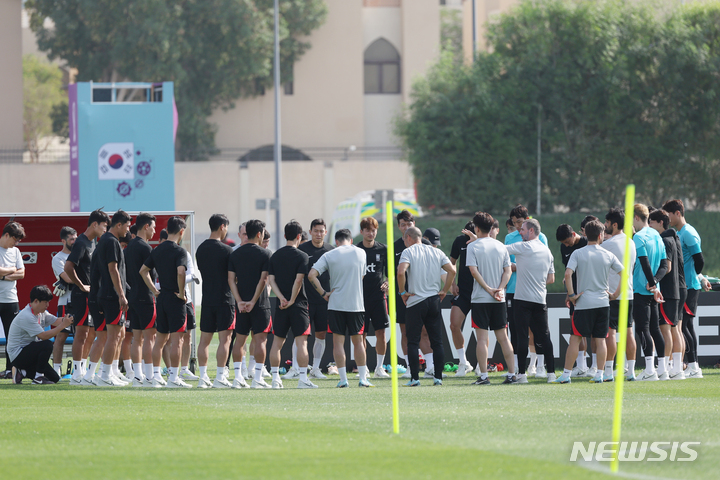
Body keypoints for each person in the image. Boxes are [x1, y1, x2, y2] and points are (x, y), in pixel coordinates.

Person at [553, 220, 623, 384]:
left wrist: (571, 295)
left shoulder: (578, 253)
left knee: (575, 339)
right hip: (603, 303)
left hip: (584, 303)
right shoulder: (607, 254)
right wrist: (615, 294)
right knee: (600, 340)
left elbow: (568, 274)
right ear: (600, 236)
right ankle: (600, 374)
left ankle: (566, 375)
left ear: (586, 234)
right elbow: (624, 274)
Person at [309, 228, 369, 388]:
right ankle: (363, 378)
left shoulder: (330, 254)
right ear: (350, 240)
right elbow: (362, 275)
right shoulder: (361, 253)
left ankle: (343, 379)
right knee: (358, 342)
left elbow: (311, 274)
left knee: (338, 343)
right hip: (356, 304)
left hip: (336, 304)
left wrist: (323, 293)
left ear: (336, 241)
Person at [397, 227, 456, 386]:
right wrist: (444, 290)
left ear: (408, 237)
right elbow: (452, 270)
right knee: (437, 341)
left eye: (404, 240)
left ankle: (415, 378)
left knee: (413, 342)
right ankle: (438, 377)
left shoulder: (408, 252)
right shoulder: (437, 252)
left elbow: (401, 272)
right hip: (433, 300)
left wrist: (402, 292)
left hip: (416, 300)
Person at [465, 212, 516, 385]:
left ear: (476, 228)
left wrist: (487, 289)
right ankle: (512, 374)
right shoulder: (501, 246)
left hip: (480, 298)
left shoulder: (473, 246)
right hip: (498, 299)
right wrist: (499, 289)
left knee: (481, 339)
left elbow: (473, 270)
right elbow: (508, 270)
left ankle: (484, 376)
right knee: (503, 338)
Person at [140, 216, 191, 388]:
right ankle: (173, 378)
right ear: (181, 232)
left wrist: (154, 291)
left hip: (161, 298)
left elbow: (143, 270)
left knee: (160, 339)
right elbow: (181, 272)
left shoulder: (157, 250)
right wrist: (182, 293)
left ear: (167, 230)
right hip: (175, 298)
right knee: (177, 340)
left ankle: (155, 376)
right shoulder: (180, 251)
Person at [662, 199, 710, 378]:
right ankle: (693, 365)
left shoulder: (688, 233)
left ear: (677, 213)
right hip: (686, 285)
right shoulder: (680, 232)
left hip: (689, 286)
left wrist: (695, 278)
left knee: (686, 327)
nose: (667, 219)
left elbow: (700, 260)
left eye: (669, 215)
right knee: (684, 327)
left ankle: (694, 366)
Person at [505, 218, 556, 383]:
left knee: (521, 337)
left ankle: (521, 375)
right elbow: (551, 278)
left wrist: (479, 241)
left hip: (522, 300)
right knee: (545, 337)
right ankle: (552, 374)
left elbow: (501, 249)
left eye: (523, 230)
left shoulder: (523, 247)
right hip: (540, 300)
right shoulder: (547, 252)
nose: (520, 232)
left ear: (532, 231)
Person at [267, 220, 315, 389]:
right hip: (298, 305)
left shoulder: (275, 255)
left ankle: (274, 379)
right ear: (299, 236)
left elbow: (271, 280)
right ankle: (302, 379)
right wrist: (292, 300)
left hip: (281, 305)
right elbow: (299, 280)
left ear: (285, 235)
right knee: (302, 343)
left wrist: (281, 298)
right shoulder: (302, 256)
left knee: (277, 343)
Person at [65, 210, 109, 385]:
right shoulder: (81, 242)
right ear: (94, 224)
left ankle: (83, 371)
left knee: (91, 333)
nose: (105, 230)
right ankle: (76, 374)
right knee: (81, 333)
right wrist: (80, 285)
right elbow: (69, 266)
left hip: (92, 295)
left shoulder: (93, 243)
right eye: (104, 226)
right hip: (81, 295)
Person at [229, 219, 272, 389]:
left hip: (241, 304)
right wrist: (253, 301)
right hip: (260, 304)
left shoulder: (235, 254)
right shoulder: (265, 254)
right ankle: (258, 378)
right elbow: (263, 280)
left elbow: (231, 280)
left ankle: (238, 377)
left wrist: (240, 301)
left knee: (239, 341)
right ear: (260, 234)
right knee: (260, 340)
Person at [195, 214, 235, 388]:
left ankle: (203, 377)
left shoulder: (200, 249)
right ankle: (220, 376)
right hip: (225, 299)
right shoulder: (227, 250)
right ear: (222, 227)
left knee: (204, 340)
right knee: (224, 340)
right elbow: (232, 278)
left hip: (207, 299)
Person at [7, 285, 74, 384]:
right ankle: (38, 378)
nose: (47, 305)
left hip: (28, 353)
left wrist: (69, 319)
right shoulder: (27, 316)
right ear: (36, 301)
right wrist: (63, 325)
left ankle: (22, 372)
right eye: (45, 302)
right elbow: (43, 336)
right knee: (47, 344)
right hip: (18, 355)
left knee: (54, 378)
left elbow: (56, 321)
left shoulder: (41, 312)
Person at [95, 210, 132, 387]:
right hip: (112, 295)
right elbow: (113, 269)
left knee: (116, 336)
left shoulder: (106, 241)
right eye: (127, 226)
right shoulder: (111, 242)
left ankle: (110, 373)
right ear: (119, 225)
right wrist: (121, 295)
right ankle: (105, 375)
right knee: (113, 336)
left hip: (108, 294)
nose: (128, 230)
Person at [632, 204, 668, 381]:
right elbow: (664, 266)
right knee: (655, 329)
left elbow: (644, 262)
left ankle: (649, 370)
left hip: (641, 289)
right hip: (654, 290)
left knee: (643, 328)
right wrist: (655, 283)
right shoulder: (656, 234)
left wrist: (651, 283)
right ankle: (662, 369)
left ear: (636, 218)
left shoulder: (638, 237)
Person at [649, 208, 686, 380]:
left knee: (667, 331)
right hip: (678, 289)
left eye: (651, 222)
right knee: (675, 329)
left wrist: (654, 280)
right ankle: (676, 367)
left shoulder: (665, 240)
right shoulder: (674, 237)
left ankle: (670, 366)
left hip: (668, 290)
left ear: (660, 223)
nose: (649, 225)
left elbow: (668, 267)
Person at [602, 208, 638, 381]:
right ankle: (630, 371)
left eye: (607, 223)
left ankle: (608, 371)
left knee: (611, 333)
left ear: (614, 224)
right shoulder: (631, 242)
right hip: (628, 294)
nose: (605, 226)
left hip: (613, 295)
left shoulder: (608, 244)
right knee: (629, 332)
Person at [296, 219, 334, 380]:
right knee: (300, 335)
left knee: (321, 334)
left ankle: (316, 368)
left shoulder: (331, 250)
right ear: (310, 232)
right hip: (304, 300)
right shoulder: (302, 250)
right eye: (316, 231)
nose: (319, 234)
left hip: (324, 300)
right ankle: (296, 369)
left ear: (325, 232)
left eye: (321, 231)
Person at [355, 217, 391, 378]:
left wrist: (388, 282)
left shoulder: (384, 249)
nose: (371, 233)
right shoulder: (356, 250)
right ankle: (363, 369)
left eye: (373, 230)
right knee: (360, 335)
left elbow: (391, 274)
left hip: (378, 297)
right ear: (361, 232)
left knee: (381, 333)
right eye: (367, 230)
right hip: (359, 299)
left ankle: (379, 367)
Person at [125, 213, 158, 386]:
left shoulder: (129, 247)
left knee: (136, 338)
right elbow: (148, 274)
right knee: (149, 337)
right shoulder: (146, 248)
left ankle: (137, 376)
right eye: (153, 227)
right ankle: (150, 376)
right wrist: (155, 291)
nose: (154, 231)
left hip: (133, 297)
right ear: (146, 226)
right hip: (146, 296)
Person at [556, 223, 590, 378]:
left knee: (596, 333)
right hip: (574, 294)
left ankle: (596, 366)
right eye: (563, 243)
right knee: (578, 332)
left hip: (589, 291)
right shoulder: (564, 248)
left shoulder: (586, 243)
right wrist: (568, 294)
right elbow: (567, 273)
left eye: (567, 242)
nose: (566, 245)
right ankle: (582, 366)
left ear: (574, 234)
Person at [0, 221, 26, 379]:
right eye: (15, 239)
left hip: (11, 299)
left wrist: (3, 275)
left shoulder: (16, 251)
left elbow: (22, 273)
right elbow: (15, 271)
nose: (16, 243)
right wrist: (11, 271)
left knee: (13, 336)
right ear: (6, 235)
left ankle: (10, 369)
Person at [51, 226, 77, 377]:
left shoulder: (80, 254)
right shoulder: (58, 258)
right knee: (61, 336)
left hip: (81, 300)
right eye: (71, 239)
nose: (74, 241)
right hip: (65, 302)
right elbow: (68, 278)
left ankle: (78, 369)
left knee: (81, 336)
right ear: (63, 241)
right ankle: (56, 370)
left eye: (75, 238)